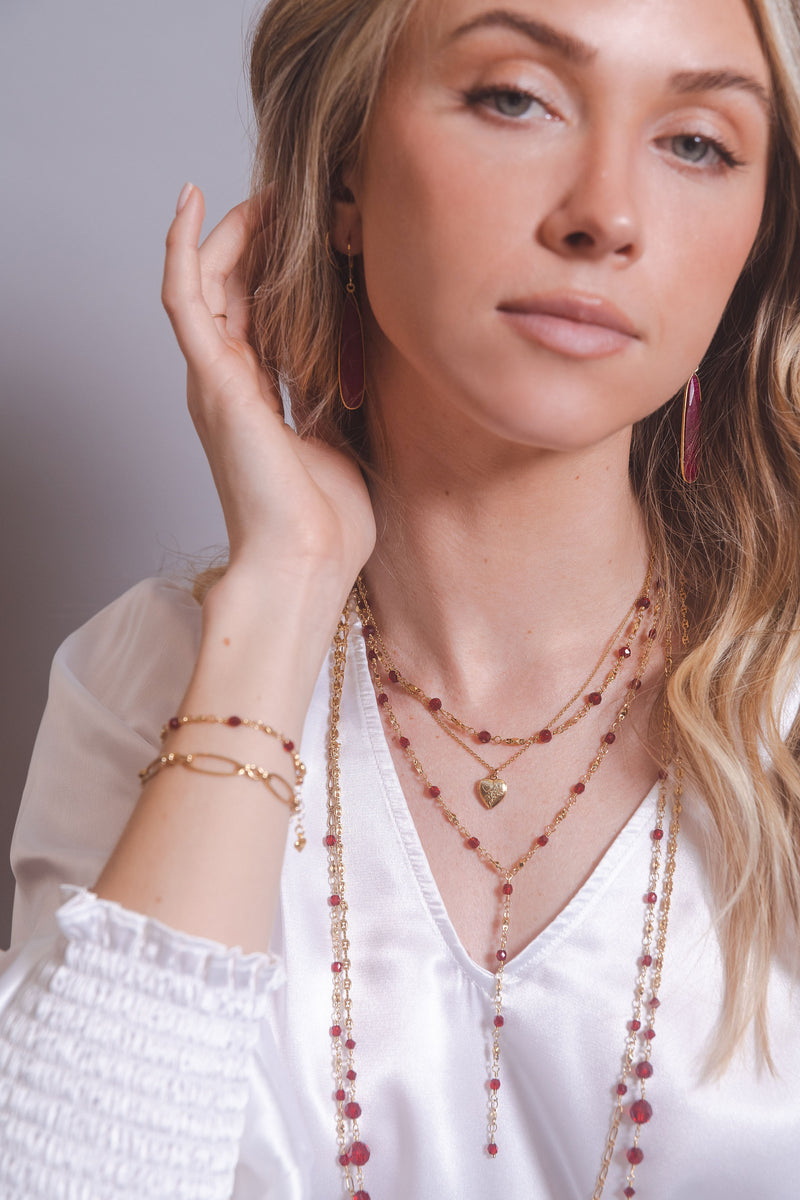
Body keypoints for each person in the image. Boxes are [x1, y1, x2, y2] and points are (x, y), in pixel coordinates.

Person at [1, 0, 800, 1196]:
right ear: (341, 180)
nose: (605, 216)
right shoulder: (157, 676)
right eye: (513, 98)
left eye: (695, 143)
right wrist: (284, 587)